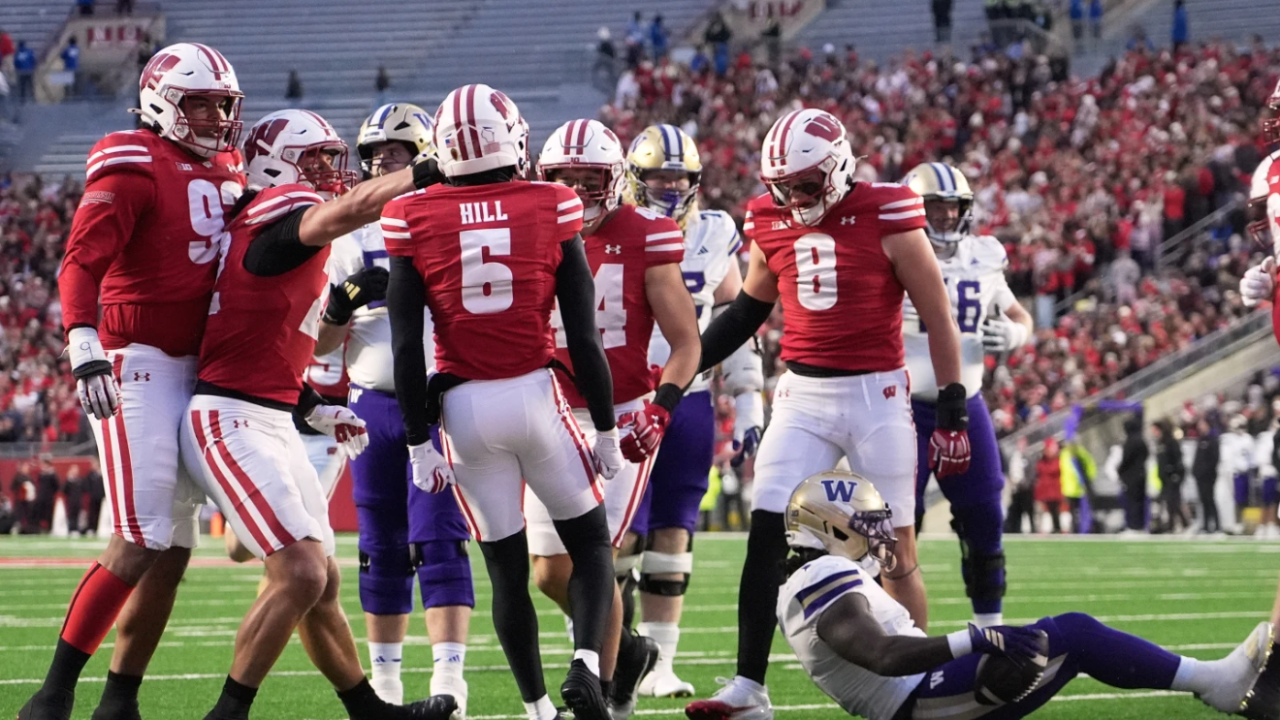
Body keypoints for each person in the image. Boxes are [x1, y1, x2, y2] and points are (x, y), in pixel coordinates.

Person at [686, 108, 967, 720]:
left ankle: (920, 689)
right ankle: (749, 687)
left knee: (895, 549)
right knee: (765, 532)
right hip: (803, 395)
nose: (792, 198)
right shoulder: (768, 219)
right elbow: (747, 312)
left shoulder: (890, 211)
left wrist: (952, 409)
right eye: (781, 186)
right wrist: (687, 361)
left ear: (838, 171)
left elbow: (938, 315)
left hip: (879, 396)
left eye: (805, 186)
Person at [177, 108, 455, 720]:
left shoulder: (277, 233)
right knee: (301, 573)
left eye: (334, 159)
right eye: (316, 161)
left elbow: (265, 342)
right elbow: (352, 210)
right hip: (231, 415)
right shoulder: (274, 220)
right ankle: (227, 712)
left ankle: (367, 709)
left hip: (270, 411)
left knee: (322, 582)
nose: (332, 172)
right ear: (276, 166)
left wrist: (315, 409)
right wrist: (430, 169)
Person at [19, 43, 247, 720]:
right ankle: (53, 695)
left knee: (175, 548)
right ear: (159, 103)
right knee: (141, 533)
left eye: (221, 104)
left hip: (199, 366)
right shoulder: (133, 158)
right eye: (197, 102)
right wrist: (82, 343)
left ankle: (120, 699)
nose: (212, 117)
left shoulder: (230, 163)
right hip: (136, 360)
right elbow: (81, 260)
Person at [384, 83, 622, 720]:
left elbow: (407, 345)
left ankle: (538, 708)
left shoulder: (411, 213)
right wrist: (603, 428)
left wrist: (416, 440)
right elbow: (582, 335)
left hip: (463, 411)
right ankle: (587, 666)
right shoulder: (552, 202)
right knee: (593, 547)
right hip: (535, 397)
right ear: (510, 138)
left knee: (505, 570)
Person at [777, 469, 1277, 720]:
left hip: (916, 698)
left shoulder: (813, 578)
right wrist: (975, 639)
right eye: (865, 526)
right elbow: (882, 655)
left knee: (1048, 640)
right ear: (829, 529)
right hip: (915, 705)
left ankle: (1213, 679)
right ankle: (1214, 682)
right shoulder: (819, 574)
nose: (879, 538)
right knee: (1073, 633)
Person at [529, 118, 700, 718]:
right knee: (551, 572)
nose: (575, 191)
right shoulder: (528, 228)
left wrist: (662, 407)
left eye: (589, 179)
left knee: (596, 556)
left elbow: (686, 342)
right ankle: (627, 651)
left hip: (623, 416)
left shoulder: (648, 234)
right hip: (546, 412)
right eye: (563, 179)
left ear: (617, 180)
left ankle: (602, 698)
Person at [311, 102, 475, 711]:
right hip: (368, 402)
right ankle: (384, 687)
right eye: (376, 156)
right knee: (379, 546)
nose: (384, 164)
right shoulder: (348, 233)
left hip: (436, 401)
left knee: (439, 541)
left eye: (398, 154)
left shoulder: (449, 218)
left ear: (425, 157)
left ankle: (448, 683)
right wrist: (343, 302)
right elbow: (320, 343)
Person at [621, 123, 764, 699]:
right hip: (624, 397)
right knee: (617, 538)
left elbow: (738, 316)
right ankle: (609, 652)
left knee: (673, 531)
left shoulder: (714, 230)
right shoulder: (611, 226)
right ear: (634, 179)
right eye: (658, 176)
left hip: (692, 399)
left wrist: (750, 398)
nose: (670, 187)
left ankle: (660, 663)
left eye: (679, 177)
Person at [901, 162, 1032, 627]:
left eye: (950, 206)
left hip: (968, 403)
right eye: (932, 207)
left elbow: (1019, 314)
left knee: (984, 515)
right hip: (903, 405)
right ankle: (898, 634)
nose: (942, 216)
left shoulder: (985, 255)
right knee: (899, 523)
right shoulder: (892, 251)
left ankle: (989, 628)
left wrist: (1016, 335)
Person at [1154, 421, 1187, 533]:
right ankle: (1176, 524)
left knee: (1174, 501)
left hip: (1172, 476)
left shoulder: (1170, 442)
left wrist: (1176, 474)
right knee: (1170, 502)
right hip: (1164, 477)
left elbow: (1177, 459)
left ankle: (1182, 523)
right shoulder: (1160, 442)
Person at [1118, 417, 1149, 533]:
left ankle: (1133, 526)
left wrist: (1120, 471)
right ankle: (1141, 525)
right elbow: (1147, 454)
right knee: (1140, 501)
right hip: (1142, 475)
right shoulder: (1141, 440)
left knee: (1132, 502)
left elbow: (1126, 459)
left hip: (1131, 477)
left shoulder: (1130, 442)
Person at [1193, 418, 1221, 534]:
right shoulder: (1201, 439)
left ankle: (1217, 525)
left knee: (1210, 500)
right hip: (1200, 476)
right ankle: (1205, 525)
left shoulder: (1212, 440)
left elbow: (1214, 459)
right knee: (1203, 500)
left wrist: (1207, 471)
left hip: (1209, 476)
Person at [1035, 439, 1064, 534]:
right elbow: (1039, 470)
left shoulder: (1057, 460)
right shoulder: (1042, 461)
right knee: (1044, 511)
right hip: (1045, 491)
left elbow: (1053, 469)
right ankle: (1043, 528)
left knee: (1055, 511)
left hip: (1054, 491)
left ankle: (1057, 528)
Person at [85, 459, 104, 536]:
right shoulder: (90, 474)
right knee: (92, 513)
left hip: (100, 497)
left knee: (99, 513)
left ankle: (97, 528)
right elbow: (87, 484)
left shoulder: (101, 474)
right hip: (93, 497)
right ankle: (91, 528)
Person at [64, 465, 85, 535]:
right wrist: (68, 479)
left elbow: (84, 489)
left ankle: (76, 529)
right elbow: (64, 490)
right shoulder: (69, 481)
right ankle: (71, 529)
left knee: (77, 515)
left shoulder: (80, 480)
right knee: (71, 515)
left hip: (78, 500)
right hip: (71, 501)